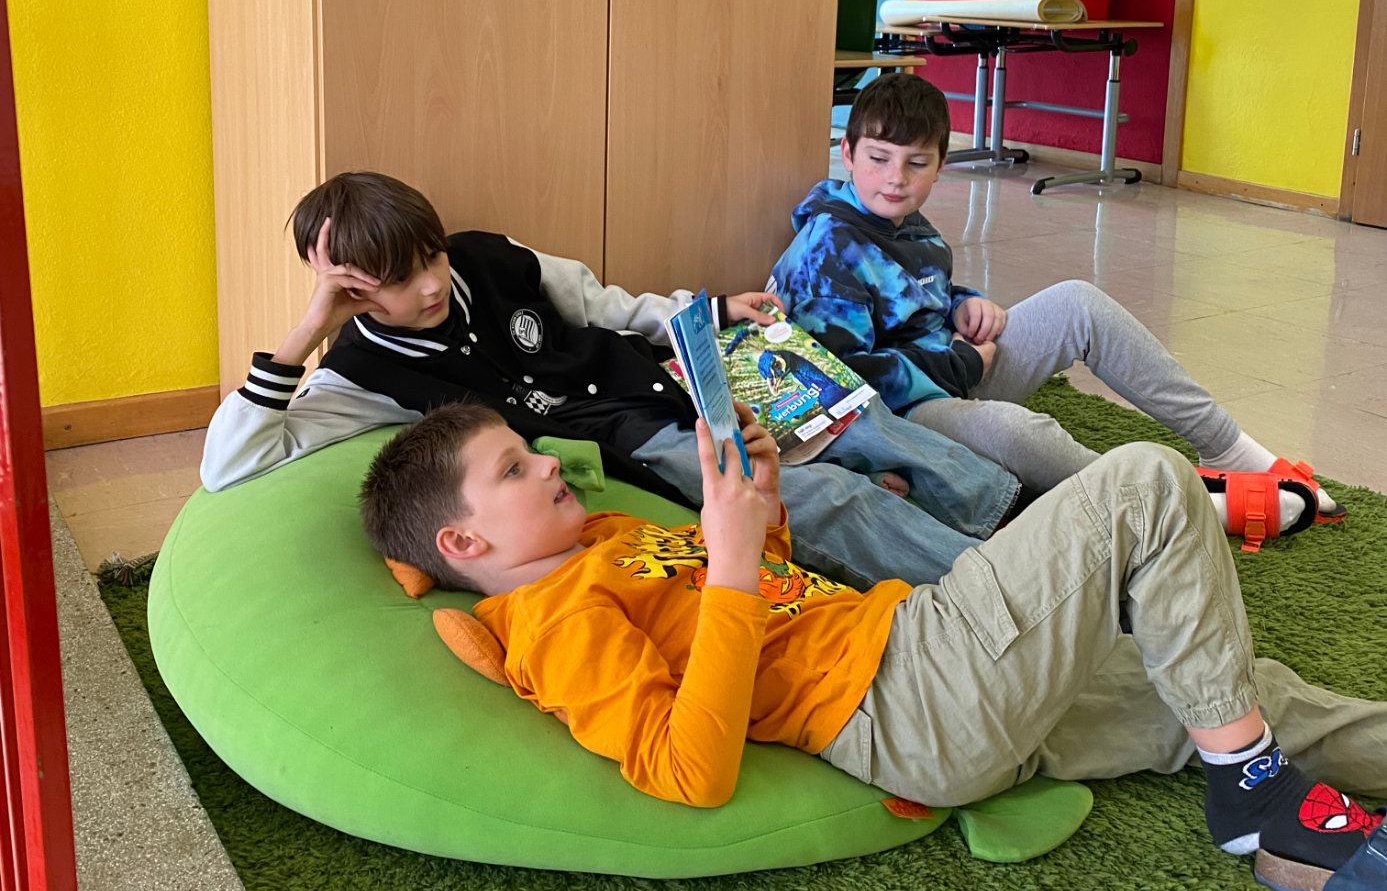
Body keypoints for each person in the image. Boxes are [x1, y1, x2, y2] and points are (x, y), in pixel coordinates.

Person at [359, 400, 1387, 891]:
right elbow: (685, 767)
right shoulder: (554, 622)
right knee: (1147, 484)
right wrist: (729, 560)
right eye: (513, 468)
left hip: (924, 671)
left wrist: (760, 513)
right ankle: (1251, 794)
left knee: (1236, 694)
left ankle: (1251, 765)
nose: (547, 461)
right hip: (909, 691)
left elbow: (756, 608)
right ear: (463, 542)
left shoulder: (606, 535)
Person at [200, 171, 1021, 587]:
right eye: (395, 280)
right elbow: (230, 463)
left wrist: (707, 313)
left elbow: (600, 302)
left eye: (430, 258)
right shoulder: (361, 371)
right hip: (636, 441)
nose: (427, 286)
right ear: (349, 290)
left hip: (663, 374)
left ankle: (1014, 520)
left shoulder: (485, 256)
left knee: (858, 420)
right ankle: (998, 589)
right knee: (821, 495)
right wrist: (309, 329)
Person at [768, 72, 1346, 550]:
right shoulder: (828, 249)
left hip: (953, 369)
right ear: (847, 154)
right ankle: (1167, 503)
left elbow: (922, 292)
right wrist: (960, 364)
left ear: (941, 164)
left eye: (916, 163)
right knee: (1016, 432)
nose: (895, 179)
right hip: (901, 416)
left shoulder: (903, 219)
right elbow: (845, 384)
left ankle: (1228, 448)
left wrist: (967, 304)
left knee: (1077, 302)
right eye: (878, 159)